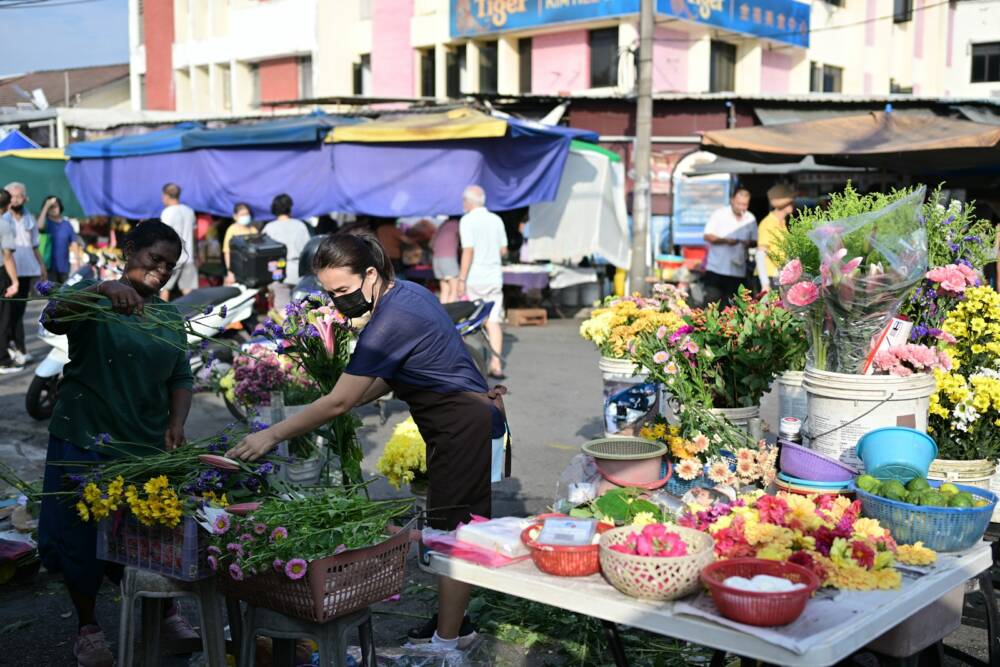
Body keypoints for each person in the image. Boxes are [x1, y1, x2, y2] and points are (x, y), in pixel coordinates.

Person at [227, 231, 506, 651]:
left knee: (453, 536)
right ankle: (454, 626)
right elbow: (388, 377)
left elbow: (340, 400)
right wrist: (343, 402)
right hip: (460, 419)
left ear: (371, 273)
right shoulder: (407, 293)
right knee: (451, 527)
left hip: (460, 425)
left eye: (342, 290)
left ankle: (447, 646)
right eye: (329, 292)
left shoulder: (393, 318)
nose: (338, 301)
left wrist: (272, 434)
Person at [37, 220, 197, 667]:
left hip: (144, 444)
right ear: (129, 251)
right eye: (154, 260)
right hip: (85, 436)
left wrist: (176, 422)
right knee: (80, 535)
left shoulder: (168, 314)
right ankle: (87, 627)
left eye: (169, 265)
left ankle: (162, 611)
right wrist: (102, 290)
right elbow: (52, 315)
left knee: (151, 531)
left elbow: (181, 375)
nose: (161, 271)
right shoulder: (95, 296)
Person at [458, 185, 507, 379]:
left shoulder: (467, 220)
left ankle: (464, 364)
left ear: (469, 202)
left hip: (475, 278)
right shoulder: (496, 220)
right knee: (493, 321)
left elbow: (468, 250)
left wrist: (461, 278)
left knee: (466, 321)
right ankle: (496, 365)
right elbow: (503, 250)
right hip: (494, 277)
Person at [2, 182, 47, 367]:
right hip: (7, 271)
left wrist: (42, 266)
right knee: (6, 314)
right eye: (12, 196)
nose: (16, 199)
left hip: (26, 269)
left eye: (19, 196)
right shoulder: (3, 218)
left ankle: (20, 349)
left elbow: (35, 245)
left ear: (25, 198)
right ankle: (9, 350)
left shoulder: (29, 219)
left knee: (19, 312)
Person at [702, 187, 757, 304]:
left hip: (738, 271)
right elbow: (707, 236)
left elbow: (756, 242)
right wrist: (726, 241)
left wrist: (748, 243)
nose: (741, 207)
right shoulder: (719, 214)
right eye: (739, 203)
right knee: (711, 305)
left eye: (744, 204)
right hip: (716, 269)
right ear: (732, 200)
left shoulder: (750, 218)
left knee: (734, 309)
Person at [262, 193, 311, 311]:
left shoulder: (269, 228)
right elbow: (307, 251)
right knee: (300, 312)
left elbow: (263, 255)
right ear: (290, 208)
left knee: (282, 312)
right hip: (298, 273)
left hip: (277, 273)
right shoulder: (300, 226)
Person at [159, 183, 198, 300]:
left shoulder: (167, 213)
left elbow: (164, 237)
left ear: (166, 195)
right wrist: (196, 254)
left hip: (172, 258)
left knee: (164, 289)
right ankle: (196, 316)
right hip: (189, 256)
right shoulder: (189, 211)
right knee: (188, 291)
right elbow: (194, 234)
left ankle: (160, 317)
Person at [756, 184, 796, 292]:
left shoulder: (782, 223)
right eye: (791, 202)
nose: (793, 204)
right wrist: (764, 284)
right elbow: (760, 254)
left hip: (780, 276)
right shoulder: (767, 223)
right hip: (770, 277)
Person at [0, 189, 22, 374]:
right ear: (8, 206)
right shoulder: (3, 224)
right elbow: (7, 257)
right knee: (2, 319)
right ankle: (3, 361)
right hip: (0, 274)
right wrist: (14, 282)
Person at [37, 195, 81, 283]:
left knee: (63, 294)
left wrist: (77, 261)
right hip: (47, 268)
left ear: (60, 207)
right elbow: (39, 226)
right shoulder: (46, 223)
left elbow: (74, 243)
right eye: (51, 207)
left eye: (55, 206)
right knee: (48, 294)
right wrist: (46, 206)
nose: (53, 209)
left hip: (64, 268)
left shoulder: (67, 224)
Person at [223, 202, 255, 285]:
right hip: (236, 270)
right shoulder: (232, 230)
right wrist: (230, 272)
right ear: (235, 216)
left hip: (250, 270)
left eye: (247, 214)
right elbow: (227, 252)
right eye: (242, 214)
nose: (245, 216)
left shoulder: (253, 230)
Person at [432, 217, 461, 304]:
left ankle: (442, 314)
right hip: (448, 259)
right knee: (454, 290)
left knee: (444, 290)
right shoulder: (458, 224)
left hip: (436, 259)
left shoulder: (443, 225)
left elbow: (431, 243)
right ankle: (451, 315)